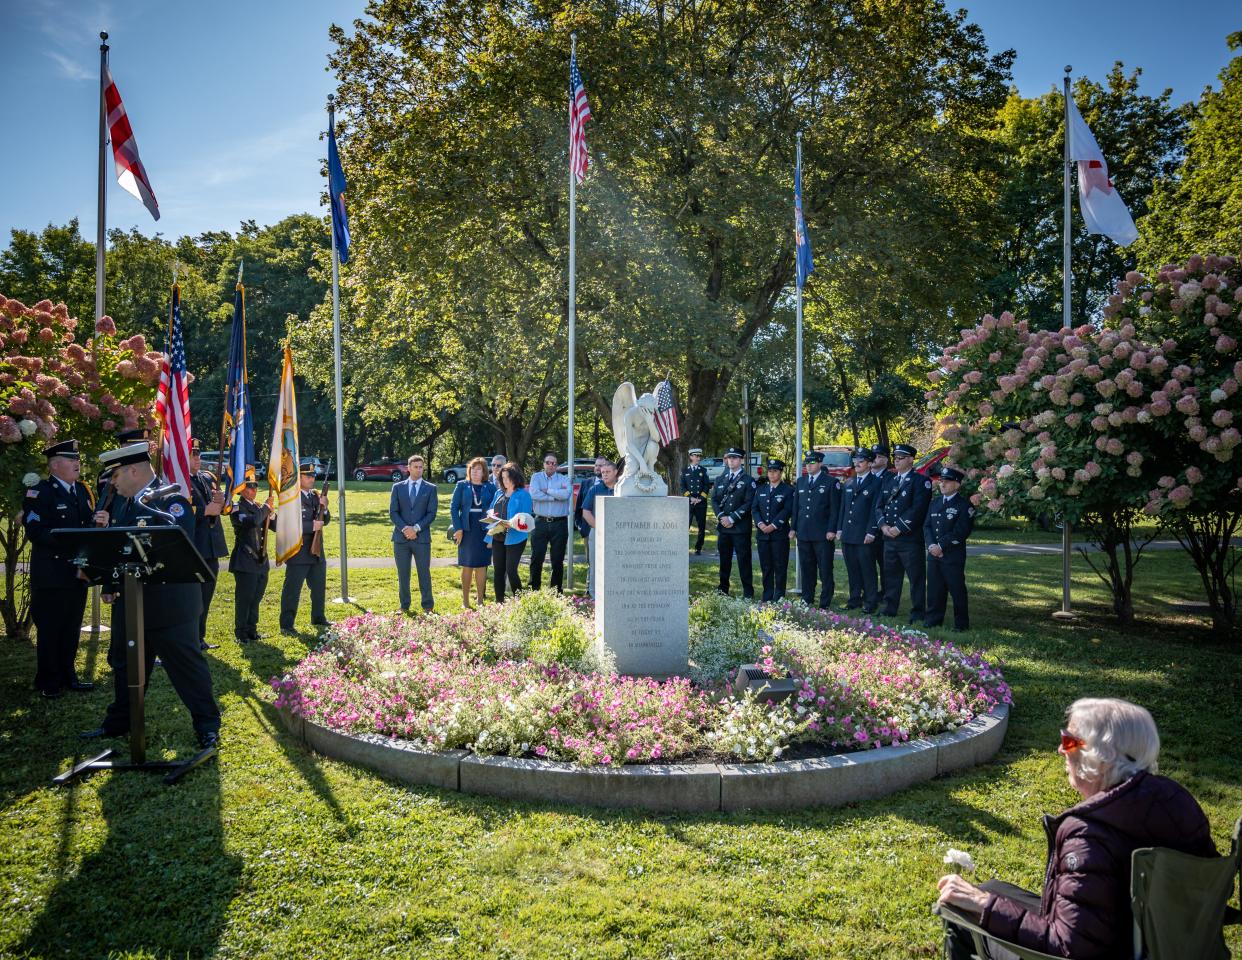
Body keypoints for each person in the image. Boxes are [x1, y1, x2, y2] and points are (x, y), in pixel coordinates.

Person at [937, 698, 1218, 960]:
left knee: (961, 910)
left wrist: (983, 905)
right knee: (991, 888)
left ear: (1101, 757)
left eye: (1069, 741)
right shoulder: (1177, 803)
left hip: (1102, 948)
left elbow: (1067, 946)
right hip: (1153, 942)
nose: (1060, 749)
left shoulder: (1088, 835)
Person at [80, 442, 221, 749]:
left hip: (170, 606)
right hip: (130, 603)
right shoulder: (121, 502)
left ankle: (207, 725)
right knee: (125, 667)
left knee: (187, 668)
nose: (112, 483)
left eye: (115, 476)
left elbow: (174, 544)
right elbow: (116, 548)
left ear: (133, 470)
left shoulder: (171, 501)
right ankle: (119, 722)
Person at [23, 438, 96, 699]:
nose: (77, 463)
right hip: (52, 574)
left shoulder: (81, 491)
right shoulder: (40, 492)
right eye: (71, 460)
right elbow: (36, 531)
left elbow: (88, 526)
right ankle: (48, 681)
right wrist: (72, 540)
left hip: (77, 572)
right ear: (54, 465)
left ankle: (69, 675)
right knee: (51, 628)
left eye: (77, 459)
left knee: (72, 626)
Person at [874, 443, 932, 624]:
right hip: (889, 537)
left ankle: (917, 612)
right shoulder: (889, 480)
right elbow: (879, 506)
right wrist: (883, 526)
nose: (896, 461)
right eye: (895, 458)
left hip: (909, 538)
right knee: (891, 575)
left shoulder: (921, 481)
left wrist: (898, 528)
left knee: (916, 577)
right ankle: (890, 608)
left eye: (900, 458)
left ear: (910, 459)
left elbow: (918, 509)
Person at [277, 463, 330, 636]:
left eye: (313, 476)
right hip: (298, 551)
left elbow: (325, 521)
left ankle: (318, 617)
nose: (312, 479)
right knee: (293, 590)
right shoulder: (291, 498)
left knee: (319, 587)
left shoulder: (315, 496)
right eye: (308, 476)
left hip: (315, 551)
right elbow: (288, 523)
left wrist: (325, 507)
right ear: (299, 478)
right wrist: (311, 526)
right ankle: (286, 624)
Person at [188, 439, 228, 651]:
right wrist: (205, 510)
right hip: (195, 546)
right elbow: (180, 512)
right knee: (194, 597)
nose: (197, 459)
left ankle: (200, 636)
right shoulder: (181, 481)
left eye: (198, 455)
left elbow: (217, 506)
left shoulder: (205, 478)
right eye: (193, 455)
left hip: (211, 546)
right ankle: (191, 638)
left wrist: (219, 501)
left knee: (207, 595)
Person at [923, 465, 974, 631]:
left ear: (957, 485)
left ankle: (961, 624)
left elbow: (960, 532)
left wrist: (940, 545)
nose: (942, 484)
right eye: (941, 481)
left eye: (947, 481)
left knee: (956, 589)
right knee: (934, 589)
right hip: (934, 555)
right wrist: (931, 545)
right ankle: (933, 620)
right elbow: (927, 526)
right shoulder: (934, 503)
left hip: (952, 555)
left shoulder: (965, 506)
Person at [789, 450, 839, 608]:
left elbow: (834, 510)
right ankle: (807, 598)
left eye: (812, 463)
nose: (808, 466)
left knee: (825, 569)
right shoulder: (801, 482)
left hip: (823, 534)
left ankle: (825, 601)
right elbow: (796, 508)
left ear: (820, 463)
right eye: (806, 463)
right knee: (807, 567)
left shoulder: (831, 482)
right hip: (804, 533)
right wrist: (793, 528)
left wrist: (832, 529)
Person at [390, 453, 438, 615]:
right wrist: (405, 529)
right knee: (403, 574)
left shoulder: (431, 488)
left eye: (421, 467)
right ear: (408, 468)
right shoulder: (397, 487)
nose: (418, 470)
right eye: (415, 467)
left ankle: (428, 606)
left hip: (421, 538)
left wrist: (416, 528)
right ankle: (404, 605)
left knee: (424, 573)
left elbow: (431, 513)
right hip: (400, 538)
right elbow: (393, 512)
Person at [229, 468, 272, 644]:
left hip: (261, 560)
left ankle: (252, 630)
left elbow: (273, 525)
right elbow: (251, 522)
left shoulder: (258, 507)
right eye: (249, 486)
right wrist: (266, 508)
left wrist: (272, 512)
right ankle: (241, 633)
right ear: (241, 489)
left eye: (255, 486)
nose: (253, 490)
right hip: (245, 560)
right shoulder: (237, 507)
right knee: (244, 599)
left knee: (256, 597)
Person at [837, 447, 880, 613]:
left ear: (870, 463)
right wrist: (839, 528)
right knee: (852, 569)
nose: (857, 464)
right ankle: (854, 599)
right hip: (848, 533)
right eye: (855, 461)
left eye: (861, 461)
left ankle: (871, 602)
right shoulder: (849, 482)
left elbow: (875, 509)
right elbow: (843, 508)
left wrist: (871, 531)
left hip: (864, 534)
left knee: (867, 569)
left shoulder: (877, 483)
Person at [711, 447, 756, 599]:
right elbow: (714, 500)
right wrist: (722, 516)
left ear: (741, 460)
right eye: (729, 458)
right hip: (724, 528)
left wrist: (732, 518)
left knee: (744, 561)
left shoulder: (748, 481)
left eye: (735, 458)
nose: (731, 460)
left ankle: (748, 592)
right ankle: (723, 590)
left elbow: (749, 503)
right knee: (724, 561)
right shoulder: (720, 479)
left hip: (740, 528)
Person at [451, 457, 495, 609]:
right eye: (473, 469)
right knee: (467, 565)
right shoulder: (462, 485)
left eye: (479, 469)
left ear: (484, 472)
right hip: (466, 529)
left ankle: (480, 601)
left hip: (484, 529)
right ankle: (465, 601)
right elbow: (454, 508)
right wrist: (458, 529)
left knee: (482, 565)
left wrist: (492, 531)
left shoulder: (490, 487)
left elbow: (496, 507)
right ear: (469, 471)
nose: (476, 472)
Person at [489, 462, 532, 602]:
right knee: (498, 572)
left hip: (516, 538)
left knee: (511, 570)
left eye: (508, 477)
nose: (505, 480)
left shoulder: (523, 495)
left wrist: (511, 524)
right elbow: (491, 511)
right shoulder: (498, 492)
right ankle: (499, 602)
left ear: (515, 477)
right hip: (497, 537)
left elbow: (526, 517)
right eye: (503, 477)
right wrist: (491, 518)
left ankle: (520, 602)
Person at [528, 453, 571, 592]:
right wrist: (555, 496)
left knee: (557, 560)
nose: (551, 465)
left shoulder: (564, 478)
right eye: (548, 462)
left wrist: (547, 491)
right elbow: (534, 494)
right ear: (544, 464)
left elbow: (566, 494)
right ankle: (534, 590)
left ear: (557, 465)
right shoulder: (536, 477)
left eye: (554, 463)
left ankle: (556, 591)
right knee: (536, 558)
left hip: (560, 524)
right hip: (540, 522)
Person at [754, 458, 794, 602]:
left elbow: (787, 510)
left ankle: (779, 595)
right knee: (766, 567)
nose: (771, 474)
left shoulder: (788, 490)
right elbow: (755, 509)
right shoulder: (761, 489)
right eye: (769, 471)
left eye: (775, 471)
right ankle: (767, 595)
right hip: (762, 535)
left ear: (781, 472)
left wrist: (773, 525)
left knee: (780, 566)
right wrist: (760, 524)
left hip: (779, 535)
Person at [581, 459, 617, 599]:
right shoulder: (595, 489)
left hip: (618, 533)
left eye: (608, 472)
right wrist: (600, 528)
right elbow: (585, 512)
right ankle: (594, 596)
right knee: (596, 564)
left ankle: (614, 594)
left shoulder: (621, 489)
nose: (605, 475)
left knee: (615, 564)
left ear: (615, 472)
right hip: (597, 532)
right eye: (603, 472)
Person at [869, 443, 893, 597]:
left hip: (883, 527)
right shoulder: (865, 477)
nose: (875, 459)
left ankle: (886, 593)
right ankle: (870, 593)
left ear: (886, 460)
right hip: (866, 527)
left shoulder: (891, 478)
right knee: (867, 564)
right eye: (873, 456)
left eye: (879, 456)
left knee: (885, 565)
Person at [681, 447, 711, 555]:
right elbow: (682, 487)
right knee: (686, 526)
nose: (698, 458)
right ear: (691, 457)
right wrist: (690, 497)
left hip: (701, 503)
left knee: (701, 526)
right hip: (689, 502)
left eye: (699, 456)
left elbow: (707, 486)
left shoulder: (703, 471)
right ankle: (684, 547)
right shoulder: (685, 471)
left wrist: (700, 499)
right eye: (696, 456)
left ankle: (698, 548)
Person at [574, 456, 606, 543]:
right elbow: (578, 508)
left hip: (607, 529)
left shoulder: (613, 484)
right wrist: (580, 526)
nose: (597, 468)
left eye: (601, 465)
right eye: (596, 465)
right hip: (588, 530)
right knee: (589, 556)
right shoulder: (585, 483)